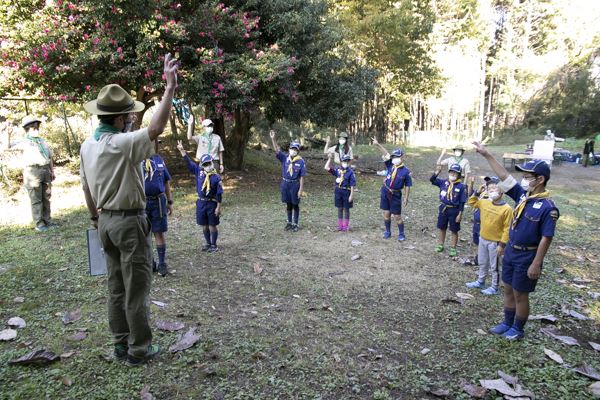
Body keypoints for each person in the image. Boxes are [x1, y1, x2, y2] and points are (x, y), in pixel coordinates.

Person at [79, 53, 178, 366]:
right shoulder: (118, 143)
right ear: (120, 119)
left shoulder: (88, 145)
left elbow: (85, 188)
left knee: (116, 288)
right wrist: (170, 87)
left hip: (105, 222)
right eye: (129, 116)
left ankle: (120, 345)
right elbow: (157, 128)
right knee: (136, 288)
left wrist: (96, 219)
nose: (132, 119)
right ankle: (139, 349)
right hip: (128, 223)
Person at [472, 141, 559, 341]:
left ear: (540, 180)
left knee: (521, 294)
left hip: (527, 255)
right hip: (511, 250)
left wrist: (536, 263)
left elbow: (547, 237)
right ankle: (507, 323)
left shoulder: (547, 207)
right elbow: (504, 176)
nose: (523, 180)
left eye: (527, 177)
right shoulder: (522, 196)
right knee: (508, 288)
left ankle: (518, 328)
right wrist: (486, 155)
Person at [465, 176, 512, 295]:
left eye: (494, 188)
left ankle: (494, 287)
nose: (492, 191)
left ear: (501, 191)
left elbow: (507, 229)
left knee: (494, 266)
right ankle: (481, 281)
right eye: (489, 189)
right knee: (482, 261)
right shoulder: (484, 202)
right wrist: (477, 192)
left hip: (495, 242)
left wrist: (502, 245)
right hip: (483, 238)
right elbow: (471, 202)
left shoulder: (507, 209)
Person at [177, 141, 223, 252]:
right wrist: (182, 151)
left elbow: (219, 193)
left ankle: (214, 245)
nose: (208, 166)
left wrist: (218, 207)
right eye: (205, 164)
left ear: (212, 163)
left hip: (211, 203)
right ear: (202, 165)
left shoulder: (216, 177)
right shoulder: (199, 172)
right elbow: (189, 163)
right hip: (201, 203)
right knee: (204, 225)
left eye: (209, 163)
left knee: (212, 224)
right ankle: (207, 243)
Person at [11, 116, 55, 231]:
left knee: (46, 197)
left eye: (37, 127)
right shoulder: (24, 142)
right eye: (33, 127)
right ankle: (39, 224)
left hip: (45, 170)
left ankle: (47, 220)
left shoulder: (42, 140)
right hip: (33, 171)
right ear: (27, 129)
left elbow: (49, 156)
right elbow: (7, 147)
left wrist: (52, 171)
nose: (36, 129)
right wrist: (8, 134)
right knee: (36, 199)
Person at [142, 140, 174, 276]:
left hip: (159, 202)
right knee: (144, 235)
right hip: (142, 203)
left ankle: (162, 263)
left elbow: (166, 181)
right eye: (152, 142)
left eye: (156, 143)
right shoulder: (136, 160)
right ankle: (150, 262)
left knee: (159, 232)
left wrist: (170, 201)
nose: (154, 145)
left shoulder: (159, 160)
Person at [372, 138, 412, 241]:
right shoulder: (390, 165)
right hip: (385, 192)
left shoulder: (406, 171)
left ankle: (401, 234)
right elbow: (386, 154)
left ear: (402, 157)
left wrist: (406, 198)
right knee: (386, 214)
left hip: (396, 195)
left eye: (397, 157)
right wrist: (378, 144)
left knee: (397, 216)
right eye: (393, 157)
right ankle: (387, 231)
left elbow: (408, 185)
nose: (395, 159)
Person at [269, 130, 306, 232]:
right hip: (285, 184)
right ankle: (289, 222)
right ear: (289, 149)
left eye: (295, 149)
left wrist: (300, 190)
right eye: (291, 149)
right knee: (288, 204)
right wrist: (273, 139)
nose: (293, 151)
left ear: (298, 151)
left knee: (295, 204)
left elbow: (302, 176)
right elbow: (277, 150)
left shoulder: (301, 161)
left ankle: (296, 223)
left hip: (295, 185)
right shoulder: (285, 158)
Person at [430, 163, 467, 257]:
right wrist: (437, 172)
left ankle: (453, 247)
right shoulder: (444, 182)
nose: (453, 174)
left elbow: (462, 202)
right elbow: (432, 180)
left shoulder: (461, 186)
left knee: (454, 230)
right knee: (442, 227)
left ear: (459, 174)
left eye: (456, 173)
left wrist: (460, 214)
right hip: (443, 208)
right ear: (449, 172)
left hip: (454, 210)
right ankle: (440, 244)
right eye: (451, 172)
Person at [324, 153, 356, 231]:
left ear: (349, 162)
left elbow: (352, 185)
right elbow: (326, 167)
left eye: (347, 162)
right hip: (338, 191)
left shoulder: (351, 172)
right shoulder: (338, 170)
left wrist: (351, 195)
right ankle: (340, 225)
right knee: (340, 208)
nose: (346, 163)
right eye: (344, 161)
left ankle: (346, 226)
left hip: (346, 191)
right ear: (341, 161)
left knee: (346, 209)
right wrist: (330, 159)